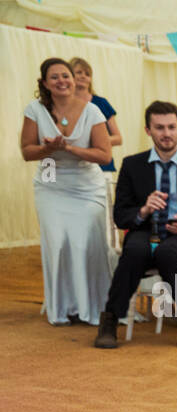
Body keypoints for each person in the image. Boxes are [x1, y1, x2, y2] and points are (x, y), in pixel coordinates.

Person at [95, 100, 177, 352]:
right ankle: (109, 323)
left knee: (169, 252)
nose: (166, 133)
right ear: (148, 130)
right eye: (159, 127)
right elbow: (121, 216)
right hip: (148, 232)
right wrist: (144, 210)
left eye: (171, 127)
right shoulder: (132, 165)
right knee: (134, 250)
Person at [19, 58, 114, 326]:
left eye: (66, 75)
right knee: (58, 243)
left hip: (87, 185)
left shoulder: (92, 111)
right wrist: (48, 149)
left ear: (73, 79)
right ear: (45, 83)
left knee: (85, 243)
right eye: (55, 77)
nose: (62, 81)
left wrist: (70, 148)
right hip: (50, 180)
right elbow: (27, 151)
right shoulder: (35, 109)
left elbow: (105, 155)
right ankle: (65, 306)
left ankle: (92, 305)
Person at [69, 57, 121, 173]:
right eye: (79, 72)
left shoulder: (101, 103)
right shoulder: (64, 104)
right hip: (73, 166)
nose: (83, 76)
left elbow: (118, 138)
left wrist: (97, 141)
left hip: (101, 167)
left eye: (87, 74)